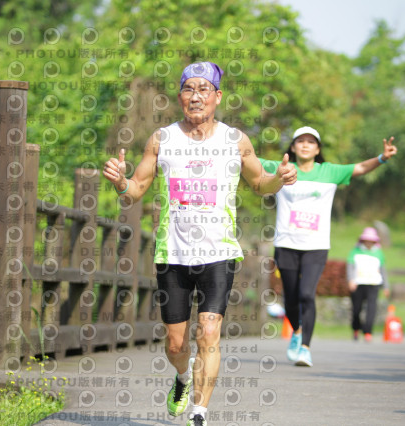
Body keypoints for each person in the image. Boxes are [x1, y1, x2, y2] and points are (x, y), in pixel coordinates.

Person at [102, 61, 296, 426]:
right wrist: (120, 182)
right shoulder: (162, 139)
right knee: (176, 344)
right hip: (171, 254)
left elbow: (260, 183)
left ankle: (200, 413)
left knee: (209, 332)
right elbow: (135, 192)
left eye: (204, 89)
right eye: (189, 89)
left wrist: (280, 180)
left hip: (218, 253)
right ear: (180, 97)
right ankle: (181, 377)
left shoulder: (236, 141)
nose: (196, 96)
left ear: (217, 97)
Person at [259, 126, 397, 367]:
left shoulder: (330, 171)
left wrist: (382, 158)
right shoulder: (280, 167)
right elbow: (247, 159)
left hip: (316, 245)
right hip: (285, 244)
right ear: (292, 147)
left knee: (306, 294)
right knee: (290, 297)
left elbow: (361, 168)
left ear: (318, 149)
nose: (305, 145)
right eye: (300, 141)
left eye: (310, 142)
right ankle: (298, 331)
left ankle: (305, 348)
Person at [347, 226, 390, 342]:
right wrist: (351, 280)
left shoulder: (379, 253)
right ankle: (356, 329)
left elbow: (383, 270)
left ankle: (368, 332)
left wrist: (386, 286)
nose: (369, 243)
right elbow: (350, 267)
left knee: (372, 308)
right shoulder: (355, 251)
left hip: (373, 284)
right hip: (358, 283)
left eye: (371, 241)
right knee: (356, 309)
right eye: (367, 240)